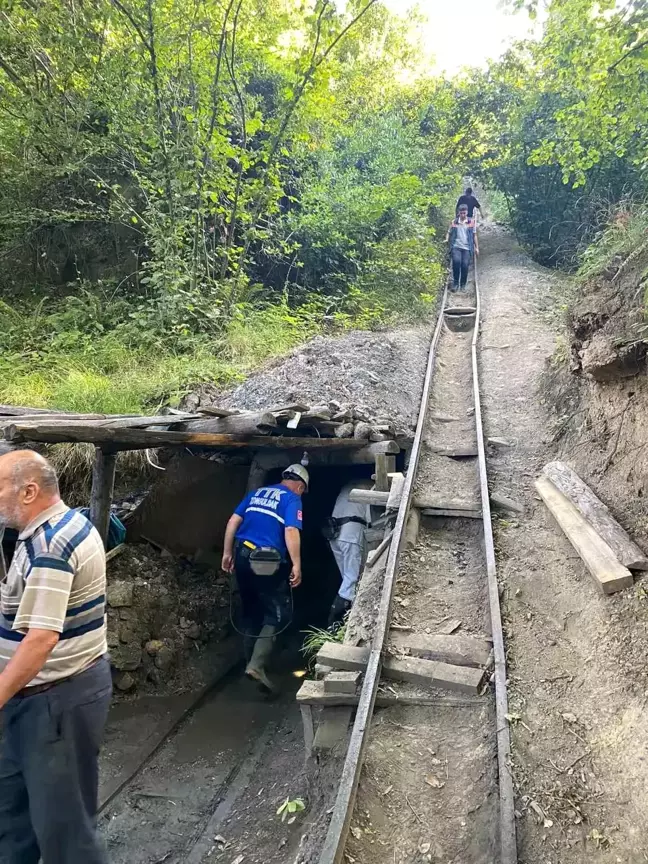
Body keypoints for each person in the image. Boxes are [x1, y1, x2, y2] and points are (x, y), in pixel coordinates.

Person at [0, 450, 111, 864]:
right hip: (35, 700)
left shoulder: (52, 544)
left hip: (55, 702)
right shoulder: (44, 534)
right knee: (12, 813)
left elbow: (41, 640)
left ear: (29, 491)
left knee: (65, 830)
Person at [222, 463, 308, 692]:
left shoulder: (256, 493)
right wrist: (297, 564)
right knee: (279, 613)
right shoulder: (292, 499)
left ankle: (249, 661)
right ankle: (257, 665)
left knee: (251, 609)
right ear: (300, 486)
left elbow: (233, 521)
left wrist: (227, 552)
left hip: (241, 554)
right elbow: (291, 530)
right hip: (266, 562)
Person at [327, 480, 371, 627]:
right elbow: (372, 519)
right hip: (351, 534)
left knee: (346, 579)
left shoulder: (346, 487)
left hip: (333, 534)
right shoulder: (371, 487)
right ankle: (337, 621)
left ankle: (338, 621)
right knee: (351, 581)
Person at [445, 203, 479, 291]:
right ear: (458, 213)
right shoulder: (454, 222)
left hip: (467, 247)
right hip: (456, 246)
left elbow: (474, 235)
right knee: (456, 262)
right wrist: (446, 239)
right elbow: (449, 232)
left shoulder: (471, 222)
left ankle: (463, 285)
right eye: (461, 213)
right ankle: (456, 283)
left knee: (465, 265)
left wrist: (476, 247)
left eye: (464, 213)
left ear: (467, 212)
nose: (463, 215)